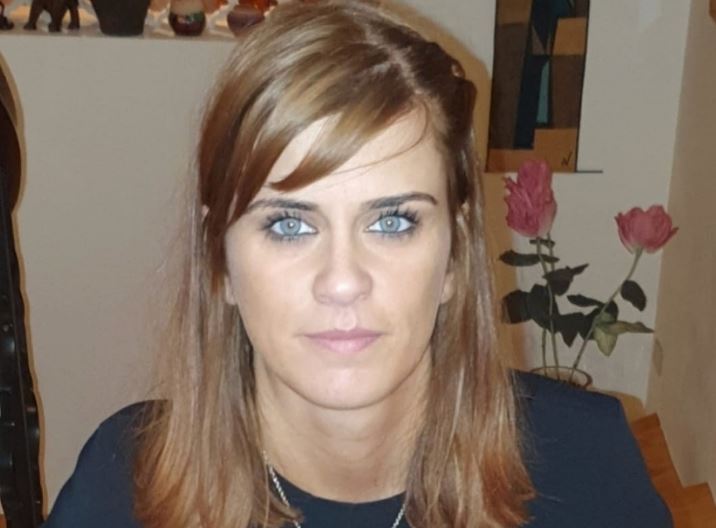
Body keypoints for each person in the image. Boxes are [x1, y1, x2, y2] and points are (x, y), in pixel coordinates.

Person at [41, 1, 673, 527]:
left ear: (455, 255)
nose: (342, 280)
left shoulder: (589, 467)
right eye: (289, 225)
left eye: (392, 221)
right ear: (220, 262)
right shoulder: (121, 488)